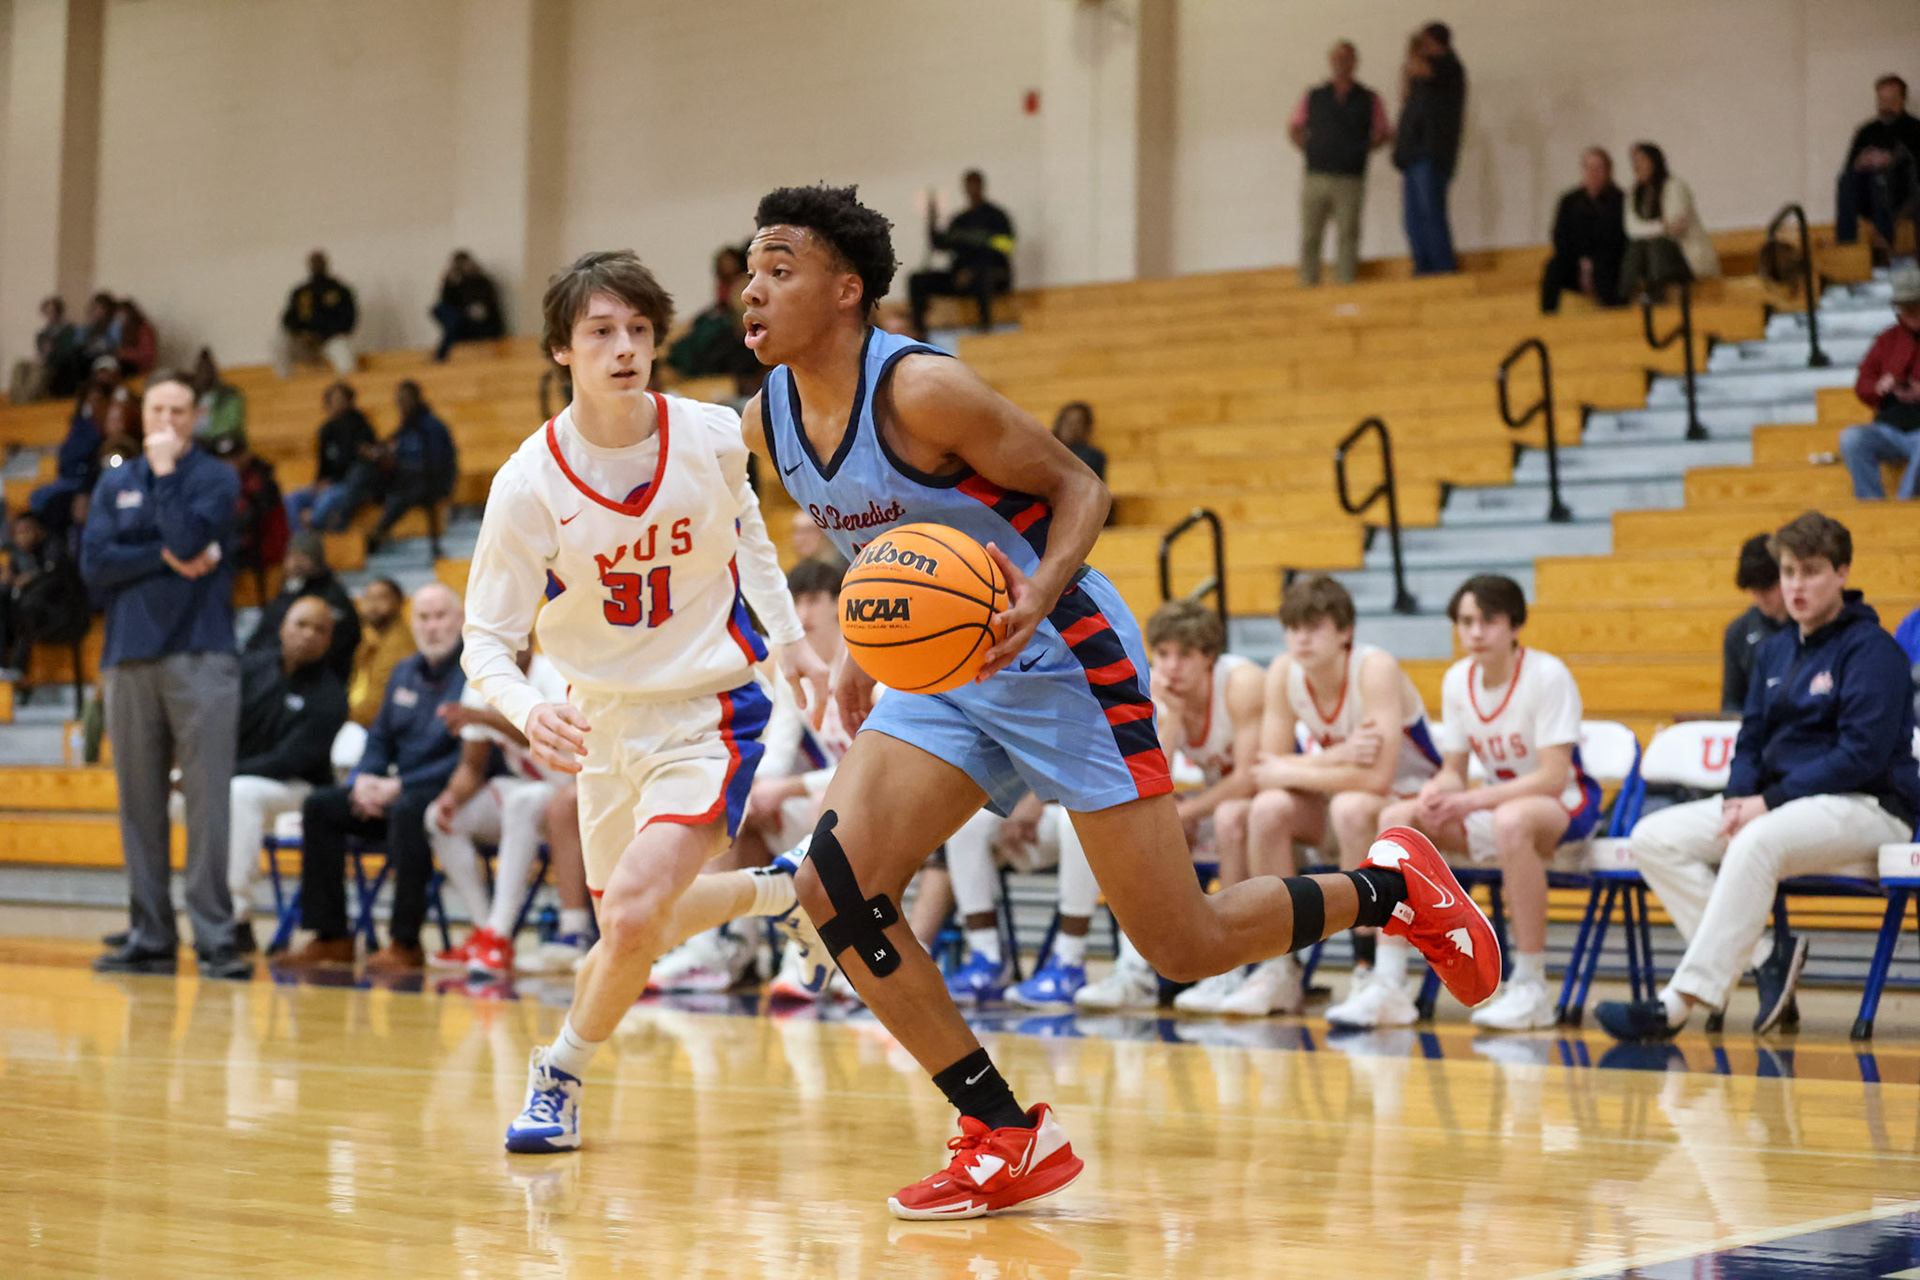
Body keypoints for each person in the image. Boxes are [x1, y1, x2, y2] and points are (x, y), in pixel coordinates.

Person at [741, 182, 1498, 1218]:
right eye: (749, 267)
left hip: (1056, 649)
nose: (752, 288)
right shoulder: (766, 416)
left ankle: (1391, 890)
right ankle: (1002, 1130)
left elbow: (1078, 486)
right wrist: (872, 640)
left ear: (846, 290)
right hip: (946, 668)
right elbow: (883, 535)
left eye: (779, 268)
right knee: (832, 887)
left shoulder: (922, 389)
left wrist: (1037, 593)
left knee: (1179, 943)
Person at [460, 249, 831, 1153]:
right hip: (602, 723)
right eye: (600, 333)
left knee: (629, 916)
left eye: (637, 330)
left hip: (709, 710)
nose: (624, 348)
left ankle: (556, 1077)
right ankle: (782, 895)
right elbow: (484, 641)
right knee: (636, 927)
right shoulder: (526, 484)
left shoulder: (709, 435)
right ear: (563, 351)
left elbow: (752, 541)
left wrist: (787, 642)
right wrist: (523, 707)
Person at [1599, 513, 1920, 1041]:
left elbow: (1859, 755)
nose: (1795, 584)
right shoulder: (1771, 650)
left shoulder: (1873, 651)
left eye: (1811, 571)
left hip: (1868, 810)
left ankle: (1677, 1003)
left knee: (1756, 839)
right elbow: (1748, 741)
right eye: (1789, 571)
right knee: (1654, 837)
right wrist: (1737, 797)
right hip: (1780, 807)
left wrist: (1765, 802)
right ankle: (1770, 957)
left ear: (1842, 573)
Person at [80, 370, 250, 980]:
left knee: (208, 802)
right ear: (141, 413)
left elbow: (190, 534)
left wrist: (169, 479)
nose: (168, 421)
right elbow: (95, 565)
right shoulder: (114, 481)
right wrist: (162, 558)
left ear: (195, 417)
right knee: (139, 804)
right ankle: (150, 936)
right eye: (158, 409)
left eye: (180, 411)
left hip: (201, 654)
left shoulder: (214, 476)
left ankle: (214, 936)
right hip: (128, 657)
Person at [1376, 574, 1601, 1033]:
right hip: (1497, 810)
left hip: (1563, 807)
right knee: (1398, 818)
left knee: (1511, 821)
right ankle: (1388, 983)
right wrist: (1437, 790)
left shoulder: (1547, 674)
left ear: (1515, 625)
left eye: (1488, 620)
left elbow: (1555, 777)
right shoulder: (1458, 679)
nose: (1476, 632)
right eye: (1466, 621)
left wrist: (1470, 798)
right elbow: (1454, 770)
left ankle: (1532, 985)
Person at [1241, 575, 1442, 1028]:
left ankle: (1367, 970)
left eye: (1314, 626)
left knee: (1351, 806)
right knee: (1267, 808)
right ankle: (1280, 966)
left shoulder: (1374, 669)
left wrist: (1296, 767)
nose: (1301, 637)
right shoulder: (1282, 672)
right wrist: (1335, 755)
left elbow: (1376, 777)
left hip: (1412, 811)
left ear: (1345, 631)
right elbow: (1265, 772)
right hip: (1342, 805)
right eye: (1293, 627)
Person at [276, 584, 469, 973]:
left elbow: (468, 756)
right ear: (412, 624)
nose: (432, 627)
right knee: (321, 806)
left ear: (462, 621)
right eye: (424, 618)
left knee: (408, 809)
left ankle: (404, 941)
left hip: (447, 794)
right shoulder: (404, 671)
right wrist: (364, 779)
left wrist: (401, 785)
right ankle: (331, 935)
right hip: (392, 791)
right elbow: (379, 738)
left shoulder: (475, 675)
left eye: (441, 616)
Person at [424, 646, 568, 977]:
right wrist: (451, 797)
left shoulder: (554, 674)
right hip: (532, 787)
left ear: (528, 641)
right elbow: (471, 767)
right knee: (440, 818)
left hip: (570, 788)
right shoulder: (483, 677)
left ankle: (500, 933)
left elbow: (550, 738)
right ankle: (485, 930)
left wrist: (485, 717)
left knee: (521, 802)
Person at [228, 596, 349, 952]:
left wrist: (219, 776)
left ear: (329, 640)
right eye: (301, 624)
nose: (309, 634)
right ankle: (156, 916)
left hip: (299, 791)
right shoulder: (250, 669)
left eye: (320, 629)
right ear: (282, 627)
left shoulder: (331, 695)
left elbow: (287, 761)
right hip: (238, 780)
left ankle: (236, 917)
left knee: (240, 793)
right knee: (170, 795)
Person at [1291, 40, 1392, 287]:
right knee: (1310, 234)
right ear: (1330, 61)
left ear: (1355, 62)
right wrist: (1313, 150)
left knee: (1348, 233)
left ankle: (1346, 283)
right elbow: (1294, 127)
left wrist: (1359, 151)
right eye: (1337, 57)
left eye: (1346, 57)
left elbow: (1383, 132)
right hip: (1316, 175)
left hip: (1350, 177)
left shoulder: (1369, 98)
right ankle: (1307, 283)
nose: (1341, 62)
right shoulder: (1314, 95)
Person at [1836, 263, 1920, 500]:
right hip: (1889, 427)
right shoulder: (1887, 339)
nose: (1911, 313)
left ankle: (1903, 507)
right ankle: (1873, 507)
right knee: (1852, 438)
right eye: (1906, 308)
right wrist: (1881, 387)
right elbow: (1863, 384)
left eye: (1915, 306)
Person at [1392, 22, 1466, 276]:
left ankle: (1443, 269)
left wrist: (1413, 50)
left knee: (1431, 214)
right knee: (1412, 219)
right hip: (1413, 154)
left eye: (1425, 43)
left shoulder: (1449, 66)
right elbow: (1404, 94)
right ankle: (1423, 268)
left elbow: (1419, 67)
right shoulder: (1421, 76)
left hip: (1432, 154)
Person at [907, 170, 1016, 333]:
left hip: (990, 276)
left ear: (982, 186)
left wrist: (974, 265)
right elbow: (940, 245)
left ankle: (985, 328)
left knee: (982, 276)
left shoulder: (996, 216)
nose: (972, 189)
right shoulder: (959, 220)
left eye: (975, 184)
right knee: (917, 280)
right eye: (968, 185)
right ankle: (919, 331)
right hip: (960, 278)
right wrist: (932, 221)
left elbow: (1007, 246)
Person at [244, 532, 361, 681]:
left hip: (313, 681)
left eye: (303, 557)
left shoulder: (332, 598)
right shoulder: (289, 591)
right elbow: (262, 635)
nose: (295, 563)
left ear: (317, 561)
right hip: (272, 672)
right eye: (291, 556)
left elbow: (333, 648)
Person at [365, 380, 458, 557]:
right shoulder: (406, 426)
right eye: (398, 400)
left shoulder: (431, 426)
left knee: (402, 496)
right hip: (408, 480)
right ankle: (373, 536)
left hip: (432, 481)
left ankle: (378, 535)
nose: (401, 404)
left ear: (416, 399)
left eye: (404, 399)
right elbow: (390, 444)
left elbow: (439, 462)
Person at [30, 358, 122, 536]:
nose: (92, 404)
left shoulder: (104, 427)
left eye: (97, 399)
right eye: (89, 399)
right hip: (68, 478)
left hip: (86, 481)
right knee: (37, 498)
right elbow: (66, 456)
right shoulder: (79, 426)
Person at [1619, 142, 1719, 301]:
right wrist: (1660, 227)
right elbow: (1631, 229)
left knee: (1658, 245)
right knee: (1636, 248)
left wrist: (1651, 231)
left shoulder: (1675, 187)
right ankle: (1628, 295)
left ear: (1654, 161)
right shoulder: (1633, 194)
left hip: (1684, 257)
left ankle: (1654, 297)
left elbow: (1675, 225)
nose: (1637, 166)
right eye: (1634, 162)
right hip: (1651, 259)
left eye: (1642, 160)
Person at [0, 511, 90, 680]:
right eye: (17, 533)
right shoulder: (18, 553)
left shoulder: (54, 547)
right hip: (34, 614)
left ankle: (19, 667)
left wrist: (28, 580)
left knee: (25, 606)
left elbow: (55, 582)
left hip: (63, 617)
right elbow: (12, 580)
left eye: (25, 531)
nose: (21, 537)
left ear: (37, 529)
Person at [1837, 75, 1920, 249]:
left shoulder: (1915, 128)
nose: (1885, 105)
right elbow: (1850, 166)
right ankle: (1847, 244)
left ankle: (1884, 239)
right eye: (1882, 99)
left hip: (1904, 194)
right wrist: (1860, 162)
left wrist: (1892, 160)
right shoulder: (1867, 131)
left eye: (1891, 99)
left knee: (1880, 177)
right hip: (1868, 196)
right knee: (1846, 180)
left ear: (1902, 100)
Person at [1540, 148, 1627, 313]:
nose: (1593, 173)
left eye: (1599, 168)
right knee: (1553, 267)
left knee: (1606, 269)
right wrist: (1583, 262)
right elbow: (1560, 235)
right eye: (1589, 168)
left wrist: (1593, 262)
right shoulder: (1569, 201)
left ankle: (1614, 315)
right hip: (1576, 264)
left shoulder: (1620, 200)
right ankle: (1548, 318)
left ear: (1608, 171)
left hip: (1608, 264)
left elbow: (1618, 239)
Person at [290, 382, 380, 533]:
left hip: (348, 485)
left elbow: (357, 463)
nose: (335, 404)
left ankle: (313, 524)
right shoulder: (326, 430)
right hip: (329, 482)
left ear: (349, 402)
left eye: (340, 399)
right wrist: (318, 482)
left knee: (328, 499)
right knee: (293, 499)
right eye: (332, 400)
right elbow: (324, 462)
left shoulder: (360, 426)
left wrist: (331, 482)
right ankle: (296, 535)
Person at [209, 433, 289, 591]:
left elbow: (251, 521)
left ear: (245, 455)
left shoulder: (262, 481)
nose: (229, 463)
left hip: (262, 546)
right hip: (236, 545)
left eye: (234, 457)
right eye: (224, 459)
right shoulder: (218, 484)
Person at [1723, 534, 1792, 716]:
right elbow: (1731, 704)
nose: (1761, 598)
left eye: (1768, 589)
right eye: (1754, 590)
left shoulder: (1811, 627)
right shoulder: (1738, 632)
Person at [666, 245, 758, 380]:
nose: (726, 286)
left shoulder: (755, 321)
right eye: (721, 277)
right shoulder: (706, 319)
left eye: (731, 278)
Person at [274, 250, 358, 378]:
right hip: (305, 345)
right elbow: (288, 320)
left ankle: (345, 387)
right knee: (279, 344)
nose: (317, 265)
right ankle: (285, 385)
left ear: (326, 263)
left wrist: (321, 336)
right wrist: (302, 334)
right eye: (314, 262)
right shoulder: (301, 292)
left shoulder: (339, 290)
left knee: (344, 351)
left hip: (330, 341)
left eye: (319, 261)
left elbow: (348, 320)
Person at [348, 577, 414, 726]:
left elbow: (376, 704)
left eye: (381, 598)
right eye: (368, 598)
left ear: (399, 602)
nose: (372, 605)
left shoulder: (400, 645)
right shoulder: (369, 635)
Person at [431, 250, 506, 362]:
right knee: (442, 311)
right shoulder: (457, 283)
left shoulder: (482, 281)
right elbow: (447, 301)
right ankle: (443, 351)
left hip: (481, 323)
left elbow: (482, 308)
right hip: (463, 321)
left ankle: (442, 354)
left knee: (454, 322)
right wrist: (450, 283)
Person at [8, 296, 81, 403]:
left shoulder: (68, 330)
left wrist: (52, 351)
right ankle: (15, 396)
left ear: (59, 312)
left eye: (53, 311)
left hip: (57, 364)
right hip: (42, 361)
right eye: (47, 311)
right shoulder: (42, 333)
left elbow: (68, 352)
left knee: (38, 372)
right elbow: (40, 352)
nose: (50, 315)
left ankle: (26, 398)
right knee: (19, 365)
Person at [190, 348, 247, 451]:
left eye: (207, 370)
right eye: (201, 370)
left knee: (226, 445)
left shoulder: (228, 394)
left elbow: (232, 423)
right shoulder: (192, 397)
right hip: (197, 441)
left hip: (222, 439)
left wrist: (210, 434)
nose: (204, 375)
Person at [113, 300, 157, 377]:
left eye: (121, 314)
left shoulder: (143, 329)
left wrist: (124, 354)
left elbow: (147, 353)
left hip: (138, 367)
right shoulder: (119, 329)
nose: (118, 318)